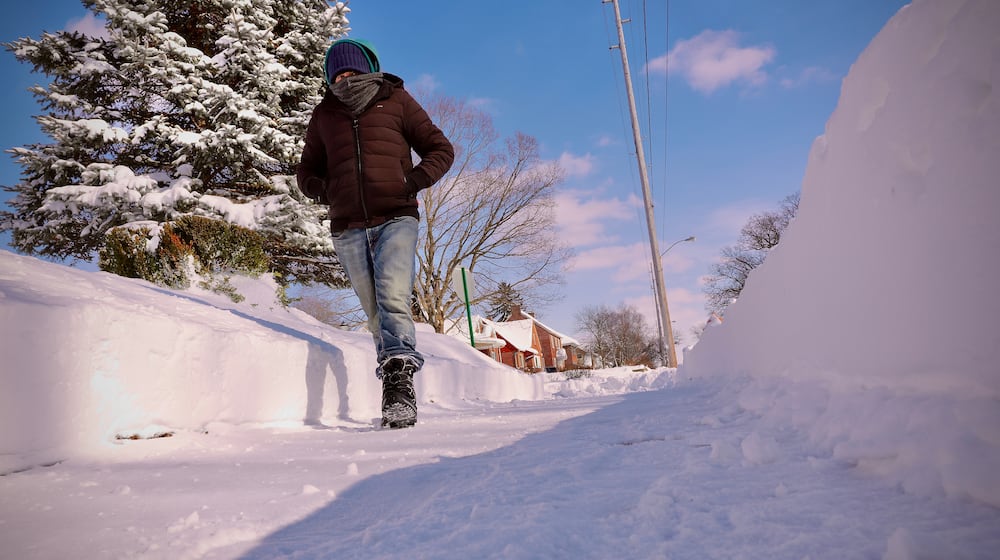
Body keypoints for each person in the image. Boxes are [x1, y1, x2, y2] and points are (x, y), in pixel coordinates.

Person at [297, 39, 454, 428]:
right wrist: (322, 188)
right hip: (347, 227)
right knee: (374, 312)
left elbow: (440, 148)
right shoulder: (324, 115)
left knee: (393, 297)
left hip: (396, 216)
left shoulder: (396, 100)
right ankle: (393, 378)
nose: (346, 80)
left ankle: (400, 385)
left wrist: (413, 181)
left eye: (352, 72)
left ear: (369, 69)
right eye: (338, 75)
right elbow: (306, 171)